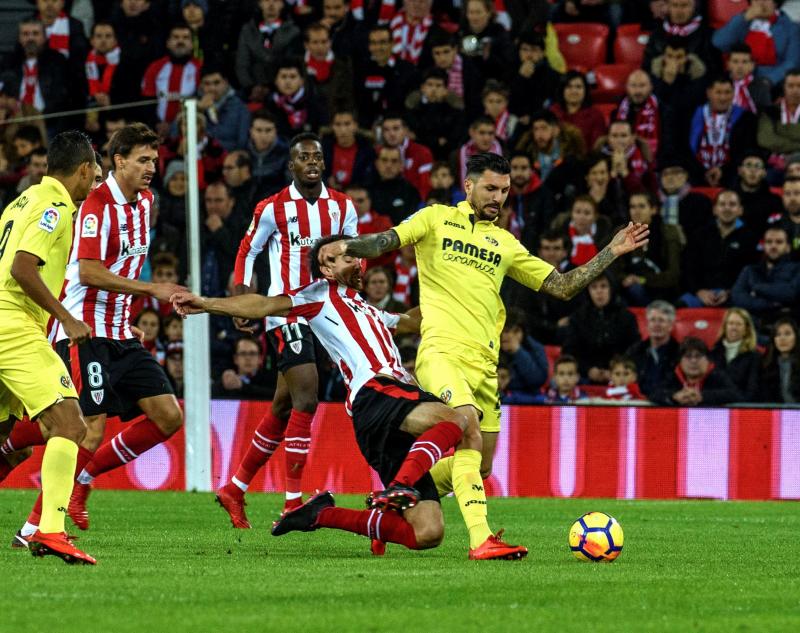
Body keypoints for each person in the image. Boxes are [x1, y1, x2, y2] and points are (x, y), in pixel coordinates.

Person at [340, 152, 649, 558]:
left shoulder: (505, 244)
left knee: (480, 466)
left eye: (504, 191)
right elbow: (386, 241)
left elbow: (562, 286)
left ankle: (395, 501)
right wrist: (346, 247)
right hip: (441, 352)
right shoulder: (434, 218)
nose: (497, 197)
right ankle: (480, 540)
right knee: (465, 425)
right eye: (490, 188)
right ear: (468, 185)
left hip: (485, 367)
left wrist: (611, 250)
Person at [172, 235, 476, 558]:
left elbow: (414, 321)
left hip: (380, 416)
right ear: (326, 269)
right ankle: (399, 487)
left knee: (428, 533)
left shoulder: (371, 312)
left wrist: (453, 288)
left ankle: (321, 514)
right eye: (345, 256)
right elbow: (264, 305)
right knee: (458, 420)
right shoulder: (318, 296)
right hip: (377, 392)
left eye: (356, 255)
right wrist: (207, 303)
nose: (356, 260)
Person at [10, 123, 186, 544]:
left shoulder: (147, 203)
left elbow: (120, 265)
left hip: (119, 331)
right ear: (118, 161)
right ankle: (33, 527)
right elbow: (88, 271)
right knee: (85, 424)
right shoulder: (94, 205)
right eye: (142, 160)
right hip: (82, 328)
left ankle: (82, 479)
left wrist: (126, 316)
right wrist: (151, 290)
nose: (151, 168)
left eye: (154, 160)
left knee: (168, 416)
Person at [215, 133, 358, 529]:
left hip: (327, 314)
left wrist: (353, 289)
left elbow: (351, 256)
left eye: (317, 157)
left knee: (283, 406)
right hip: (287, 312)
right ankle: (293, 500)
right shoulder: (272, 207)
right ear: (291, 165)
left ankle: (235, 488)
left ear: (324, 163)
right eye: (303, 157)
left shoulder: (343, 207)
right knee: (306, 396)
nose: (311, 162)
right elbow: (248, 250)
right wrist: (242, 296)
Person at [0, 130, 97, 564]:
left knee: (6, 437)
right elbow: (23, 268)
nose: (94, 181)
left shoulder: (20, 201)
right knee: (70, 424)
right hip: (13, 324)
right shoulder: (54, 208)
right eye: (94, 173)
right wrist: (66, 318)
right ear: (83, 170)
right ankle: (51, 531)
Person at [681, 190, 759, 308]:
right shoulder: (699, 235)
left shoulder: (751, 238)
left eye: (732, 204)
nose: (727, 208)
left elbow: (753, 273)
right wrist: (698, 291)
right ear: (715, 210)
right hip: (700, 293)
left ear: (740, 210)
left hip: (735, 294)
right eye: (722, 204)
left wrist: (731, 292)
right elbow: (688, 268)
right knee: (675, 308)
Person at [562, 272, 641, 384]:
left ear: (611, 288)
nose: (599, 291)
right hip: (584, 376)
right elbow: (569, 350)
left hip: (620, 376)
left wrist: (615, 370)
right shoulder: (577, 318)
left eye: (603, 286)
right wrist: (588, 370)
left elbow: (634, 349)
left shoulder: (626, 317)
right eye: (594, 287)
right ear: (588, 291)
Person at [615, 191, 683, 306]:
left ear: (653, 209)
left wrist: (642, 280)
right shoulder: (621, 233)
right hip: (630, 290)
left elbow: (673, 274)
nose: (636, 211)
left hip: (662, 290)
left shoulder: (668, 232)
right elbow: (615, 269)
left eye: (642, 206)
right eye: (632, 207)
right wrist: (625, 278)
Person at [712, 0, 799, 87]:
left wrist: (768, 80)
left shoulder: (790, 28)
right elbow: (720, 43)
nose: (761, 3)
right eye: (756, 0)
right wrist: (744, 18)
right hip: (739, 80)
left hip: (774, 84)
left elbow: (792, 63)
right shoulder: (742, 22)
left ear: (775, 3)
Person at [731, 225, 800, 327]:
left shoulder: (797, 269)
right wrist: (771, 304)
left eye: (779, 242)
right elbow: (737, 297)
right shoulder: (750, 270)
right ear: (763, 246)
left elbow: (790, 293)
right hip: (753, 327)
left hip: (786, 326)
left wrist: (756, 287)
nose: (773, 246)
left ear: (788, 248)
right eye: (769, 242)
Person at [140, 24, 202, 133]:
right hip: (158, 130)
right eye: (176, 37)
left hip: (190, 128)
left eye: (185, 38)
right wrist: (156, 123)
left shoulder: (199, 68)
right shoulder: (155, 68)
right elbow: (147, 101)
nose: (180, 41)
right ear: (168, 43)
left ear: (192, 44)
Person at [652, 337, 742, 406]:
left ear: (707, 360)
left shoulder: (717, 375)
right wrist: (674, 396)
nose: (693, 361)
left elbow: (736, 395)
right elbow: (654, 393)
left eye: (698, 356)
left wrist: (702, 396)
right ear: (680, 361)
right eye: (688, 356)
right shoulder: (673, 376)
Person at [626, 299, 680, 398]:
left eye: (661, 320)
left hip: (667, 402)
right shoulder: (635, 351)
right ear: (647, 325)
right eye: (652, 320)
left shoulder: (680, 353)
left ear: (671, 326)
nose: (656, 324)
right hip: (637, 401)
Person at [710, 307, 762, 402]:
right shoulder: (713, 352)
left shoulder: (754, 356)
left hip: (742, 406)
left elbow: (751, 391)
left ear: (746, 329)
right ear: (725, 327)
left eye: (738, 324)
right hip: (715, 405)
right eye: (731, 323)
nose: (734, 327)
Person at [550, 71, 606, 151]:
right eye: (569, 87)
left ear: (585, 91)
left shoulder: (595, 115)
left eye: (578, 87)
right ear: (562, 90)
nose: (574, 91)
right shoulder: (552, 111)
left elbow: (596, 148)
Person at [213, 336, 275, 400]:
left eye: (252, 353)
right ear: (235, 359)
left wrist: (242, 386)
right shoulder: (227, 381)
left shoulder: (271, 380)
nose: (248, 358)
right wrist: (222, 384)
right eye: (243, 353)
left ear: (260, 359)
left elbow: (274, 396)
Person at [760, 317, 800, 403]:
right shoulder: (765, 365)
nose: (782, 338)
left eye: (787, 334)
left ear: (796, 337)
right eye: (778, 335)